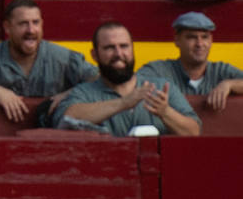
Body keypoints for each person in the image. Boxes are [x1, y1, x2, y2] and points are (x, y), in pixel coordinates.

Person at [54, 22, 201, 136]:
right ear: (94, 55)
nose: (118, 53)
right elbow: (68, 118)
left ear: (132, 49)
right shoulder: (84, 92)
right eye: (109, 48)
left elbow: (194, 131)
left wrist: (165, 112)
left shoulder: (161, 87)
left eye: (124, 46)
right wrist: (124, 102)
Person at [140, 12, 243, 110]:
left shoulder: (221, 70)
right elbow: (130, 85)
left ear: (211, 41)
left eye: (204, 37)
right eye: (192, 37)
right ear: (177, 40)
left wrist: (230, 84)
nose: (199, 44)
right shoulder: (159, 70)